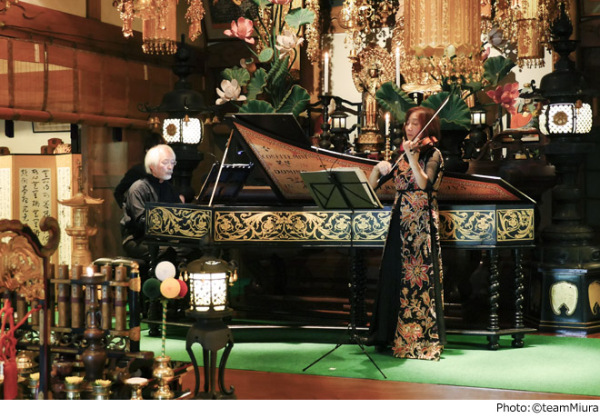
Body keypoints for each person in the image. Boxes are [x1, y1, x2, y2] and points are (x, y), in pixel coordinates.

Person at [363, 106, 446, 360]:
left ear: (427, 127)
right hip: (399, 222)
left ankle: (418, 338)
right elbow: (372, 189)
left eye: (415, 124)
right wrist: (376, 170)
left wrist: (412, 158)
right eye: (407, 123)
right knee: (392, 274)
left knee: (418, 280)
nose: (409, 128)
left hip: (421, 225)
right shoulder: (403, 156)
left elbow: (424, 184)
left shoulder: (433, 153)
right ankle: (386, 335)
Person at [120, 144, 184, 262]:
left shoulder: (170, 189)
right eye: (165, 162)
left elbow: (182, 214)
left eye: (173, 162)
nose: (170, 167)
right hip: (138, 240)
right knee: (168, 252)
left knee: (194, 250)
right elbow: (142, 222)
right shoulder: (138, 188)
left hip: (162, 239)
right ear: (152, 166)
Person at [113, 132, 164, 209]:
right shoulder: (137, 171)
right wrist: (128, 208)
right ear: (147, 150)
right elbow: (118, 192)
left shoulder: (166, 171)